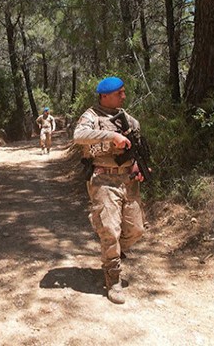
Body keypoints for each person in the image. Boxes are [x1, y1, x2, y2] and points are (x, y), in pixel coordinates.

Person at [73, 76, 147, 304]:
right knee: (111, 231)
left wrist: (139, 165)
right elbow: (79, 136)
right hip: (103, 180)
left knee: (136, 230)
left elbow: (138, 146)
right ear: (105, 95)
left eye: (124, 92)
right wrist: (111, 136)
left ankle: (111, 248)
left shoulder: (128, 119)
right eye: (120, 93)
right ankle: (113, 278)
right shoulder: (91, 116)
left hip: (128, 180)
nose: (124, 96)